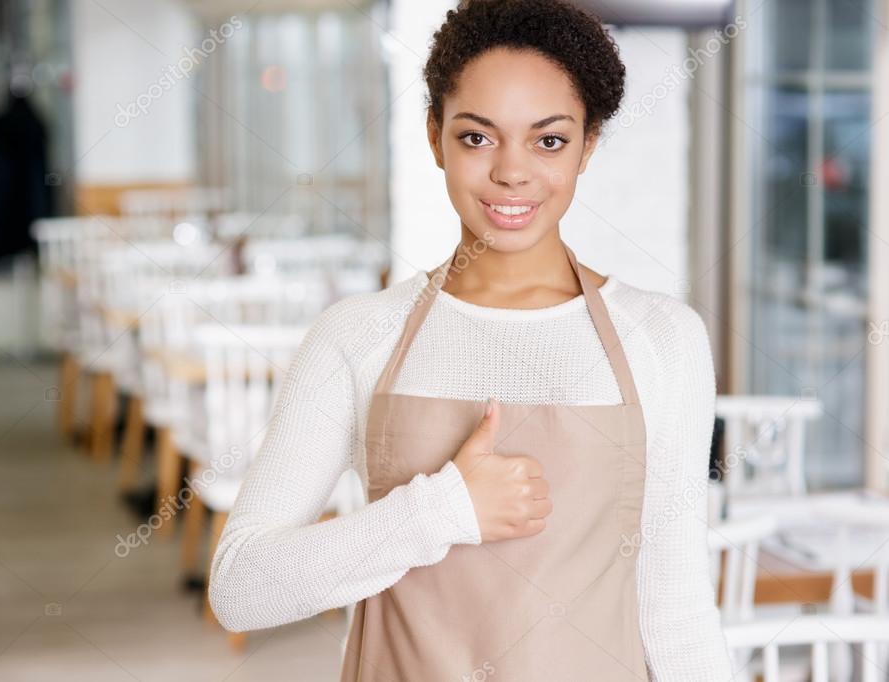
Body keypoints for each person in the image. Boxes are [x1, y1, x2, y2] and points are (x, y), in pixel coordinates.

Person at [208, 1, 734, 679]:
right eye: (477, 138)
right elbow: (239, 588)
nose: (512, 173)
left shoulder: (662, 339)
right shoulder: (359, 335)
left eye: (548, 140)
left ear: (587, 146)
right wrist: (441, 510)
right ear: (434, 136)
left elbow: (676, 609)